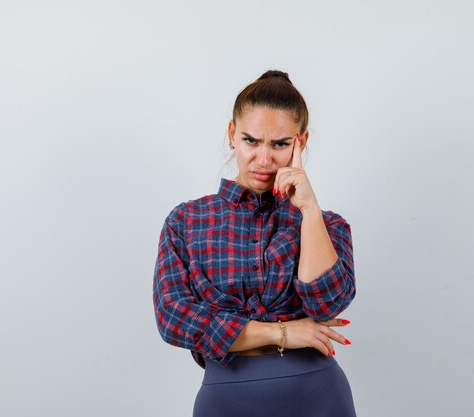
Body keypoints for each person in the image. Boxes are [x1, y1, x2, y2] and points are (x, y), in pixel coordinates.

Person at [152, 69, 357, 417]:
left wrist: (309, 209)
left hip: (318, 393)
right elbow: (173, 319)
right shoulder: (186, 221)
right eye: (251, 141)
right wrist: (282, 333)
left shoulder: (327, 224)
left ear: (300, 142)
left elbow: (326, 304)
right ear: (232, 134)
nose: (264, 160)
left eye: (280, 144)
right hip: (226, 398)